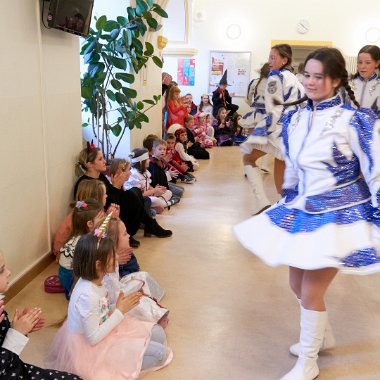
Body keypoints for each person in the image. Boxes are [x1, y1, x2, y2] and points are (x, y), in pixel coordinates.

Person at [234, 47, 380, 380]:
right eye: (307, 75)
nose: (311, 82)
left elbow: (376, 171)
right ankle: (322, 335)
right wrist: (286, 201)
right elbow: (294, 170)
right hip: (303, 208)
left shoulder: (354, 120)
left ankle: (308, 361)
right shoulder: (296, 118)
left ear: (336, 80)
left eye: (318, 77)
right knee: (296, 284)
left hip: (341, 214)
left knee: (312, 290)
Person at [46, 231, 172, 379]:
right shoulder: (88, 295)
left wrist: (118, 306)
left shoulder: (97, 280)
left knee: (158, 333)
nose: (117, 258)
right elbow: (93, 338)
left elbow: (101, 311)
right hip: (91, 347)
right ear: (99, 265)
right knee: (161, 354)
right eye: (113, 256)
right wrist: (119, 311)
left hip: (103, 327)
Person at [240, 44, 305, 214]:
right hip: (293, 130)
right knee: (282, 179)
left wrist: (260, 132)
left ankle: (263, 202)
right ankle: (285, 210)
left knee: (248, 158)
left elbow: (274, 110)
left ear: (285, 60)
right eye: (269, 57)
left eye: (273, 57)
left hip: (279, 130)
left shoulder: (275, 77)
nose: (270, 61)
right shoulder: (295, 78)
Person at [0, 250, 82, 379]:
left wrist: (18, 327)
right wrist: (16, 334)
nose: (9, 272)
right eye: (1, 270)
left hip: (17, 368)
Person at [74, 145, 172, 246]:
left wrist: (119, 186)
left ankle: (148, 225)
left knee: (135, 192)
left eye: (103, 157)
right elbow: (107, 205)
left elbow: (114, 194)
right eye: (100, 159)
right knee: (132, 196)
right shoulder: (87, 184)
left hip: (114, 208)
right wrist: (117, 185)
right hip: (106, 216)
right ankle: (132, 231)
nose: (104, 161)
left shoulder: (100, 176)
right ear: (90, 164)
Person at [53, 179, 119, 258]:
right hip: (66, 253)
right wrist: (112, 220)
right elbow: (101, 236)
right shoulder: (83, 216)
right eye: (104, 194)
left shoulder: (91, 213)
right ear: (95, 198)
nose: (106, 196)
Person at [58, 199, 105, 299]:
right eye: (101, 217)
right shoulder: (83, 242)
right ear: (90, 224)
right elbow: (83, 267)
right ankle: (73, 294)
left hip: (71, 272)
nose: (104, 219)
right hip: (71, 278)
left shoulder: (84, 236)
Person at [349, 45, 380, 117]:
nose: (362, 66)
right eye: (360, 62)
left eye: (367, 63)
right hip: (349, 127)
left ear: (377, 63)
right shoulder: (348, 83)